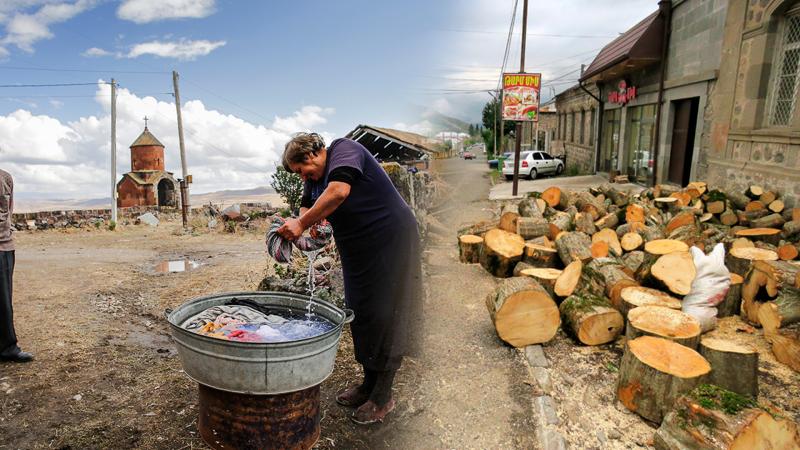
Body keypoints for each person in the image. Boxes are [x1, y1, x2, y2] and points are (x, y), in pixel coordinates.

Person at [278, 133, 421, 425]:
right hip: (358, 247)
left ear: (314, 154)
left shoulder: (344, 150)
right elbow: (307, 206)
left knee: (387, 312)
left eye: (301, 170)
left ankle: (383, 395)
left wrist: (302, 224)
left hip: (389, 238)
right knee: (362, 311)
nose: (302, 177)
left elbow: (339, 192)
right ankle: (368, 384)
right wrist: (301, 226)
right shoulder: (313, 179)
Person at [0, 169, 32, 363]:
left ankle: (7, 347)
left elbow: (8, 211)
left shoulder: (5, 178)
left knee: (3, 301)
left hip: (2, 246)